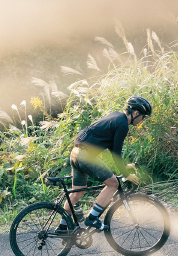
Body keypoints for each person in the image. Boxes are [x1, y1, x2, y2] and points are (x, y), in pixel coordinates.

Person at [65, 95, 152, 231]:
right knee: (113, 183)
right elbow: (116, 153)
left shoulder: (116, 116)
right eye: (143, 116)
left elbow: (112, 148)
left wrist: (125, 167)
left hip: (75, 153)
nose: (142, 120)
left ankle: (62, 227)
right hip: (86, 155)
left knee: (77, 193)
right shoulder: (123, 125)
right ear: (136, 113)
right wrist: (125, 174)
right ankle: (92, 218)